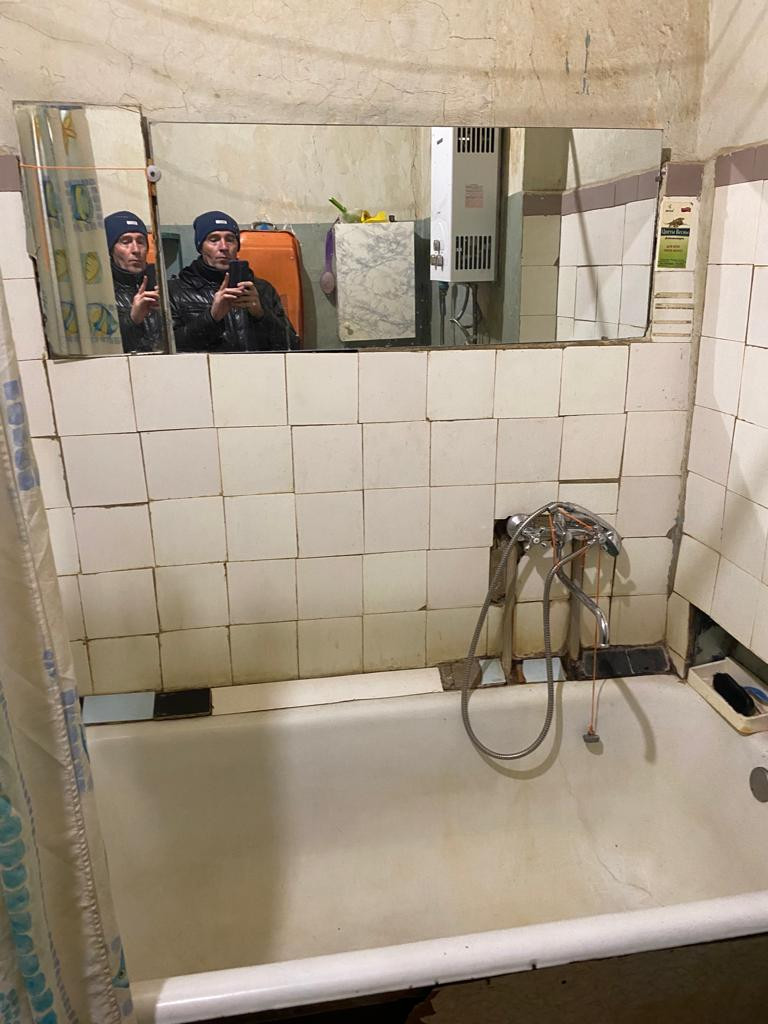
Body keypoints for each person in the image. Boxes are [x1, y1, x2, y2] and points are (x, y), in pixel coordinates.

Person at [169, 211, 299, 352]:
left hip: (256, 366)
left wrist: (261, 315)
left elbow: (293, 346)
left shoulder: (262, 290)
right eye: (214, 240)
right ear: (201, 247)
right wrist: (212, 317)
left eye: (230, 239)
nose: (224, 247)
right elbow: (170, 350)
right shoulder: (176, 292)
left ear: (237, 247)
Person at [104, 211, 165, 353]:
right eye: (126, 242)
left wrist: (167, 313)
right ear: (111, 250)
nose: (136, 250)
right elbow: (100, 346)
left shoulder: (162, 286)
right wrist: (132, 319)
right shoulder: (102, 293)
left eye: (141, 242)